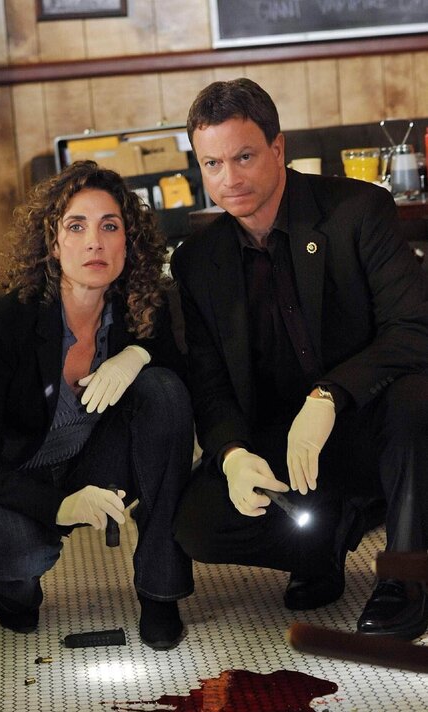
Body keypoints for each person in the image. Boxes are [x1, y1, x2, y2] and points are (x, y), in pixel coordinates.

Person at [171, 78, 428, 640]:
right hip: (286, 443)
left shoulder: (360, 210)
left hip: (374, 422)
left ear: (278, 148)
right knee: (199, 521)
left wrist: (330, 394)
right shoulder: (196, 261)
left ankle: (406, 579)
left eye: (243, 157)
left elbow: (414, 328)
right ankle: (324, 543)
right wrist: (233, 454)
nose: (229, 178)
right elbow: (209, 384)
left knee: (418, 401)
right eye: (212, 163)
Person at [0, 160, 195, 649]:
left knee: (163, 391)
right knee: (24, 552)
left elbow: (185, 382)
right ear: (53, 245)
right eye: (76, 226)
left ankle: (159, 591)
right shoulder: (6, 325)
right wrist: (58, 506)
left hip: (91, 464)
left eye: (109, 226)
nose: (95, 241)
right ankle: (13, 589)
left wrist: (138, 355)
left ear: (128, 243)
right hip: (17, 476)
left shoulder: (141, 307)